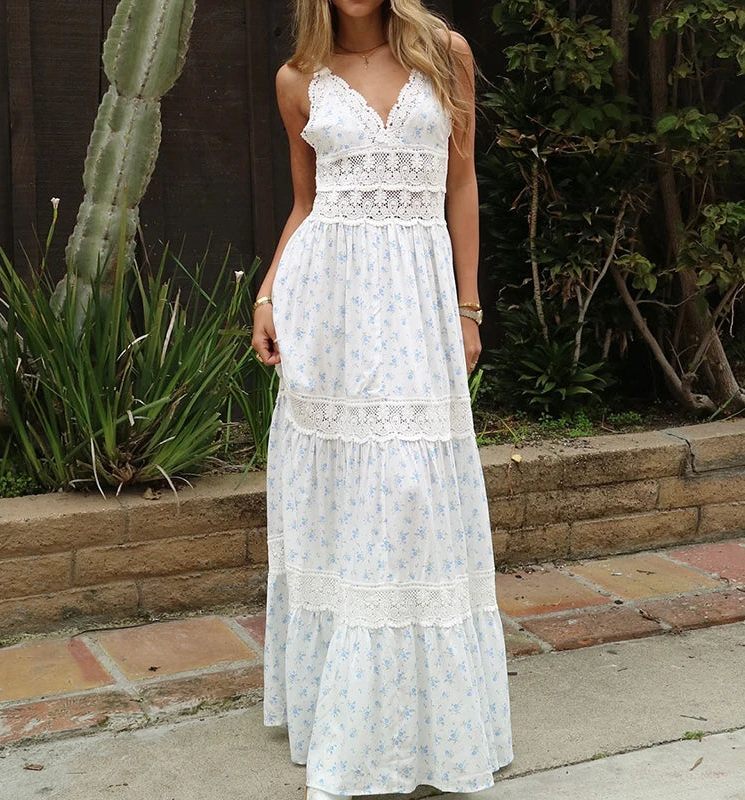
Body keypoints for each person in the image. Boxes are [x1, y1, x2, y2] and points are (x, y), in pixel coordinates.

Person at [251, 1, 513, 796]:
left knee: (410, 492)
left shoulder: (445, 52)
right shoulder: (297, 80)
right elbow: (307, 205)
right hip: (332, 309)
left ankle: (431, 725)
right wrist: (268, 295)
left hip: (419, 306)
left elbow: (460, 182)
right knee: (347, 506)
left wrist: (469, 305)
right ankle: (354, 719)